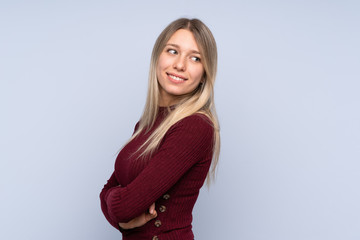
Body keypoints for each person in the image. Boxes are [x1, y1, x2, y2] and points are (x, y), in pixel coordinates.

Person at [100, 18, 220, 240]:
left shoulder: (194, 127)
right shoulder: (147, 124)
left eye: (195, 58)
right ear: (157, 57)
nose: (180, 65)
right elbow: (108, 195)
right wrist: (121, 215)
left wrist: (114, 201)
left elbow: (122, 208)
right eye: (173, 51)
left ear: (204, 73)